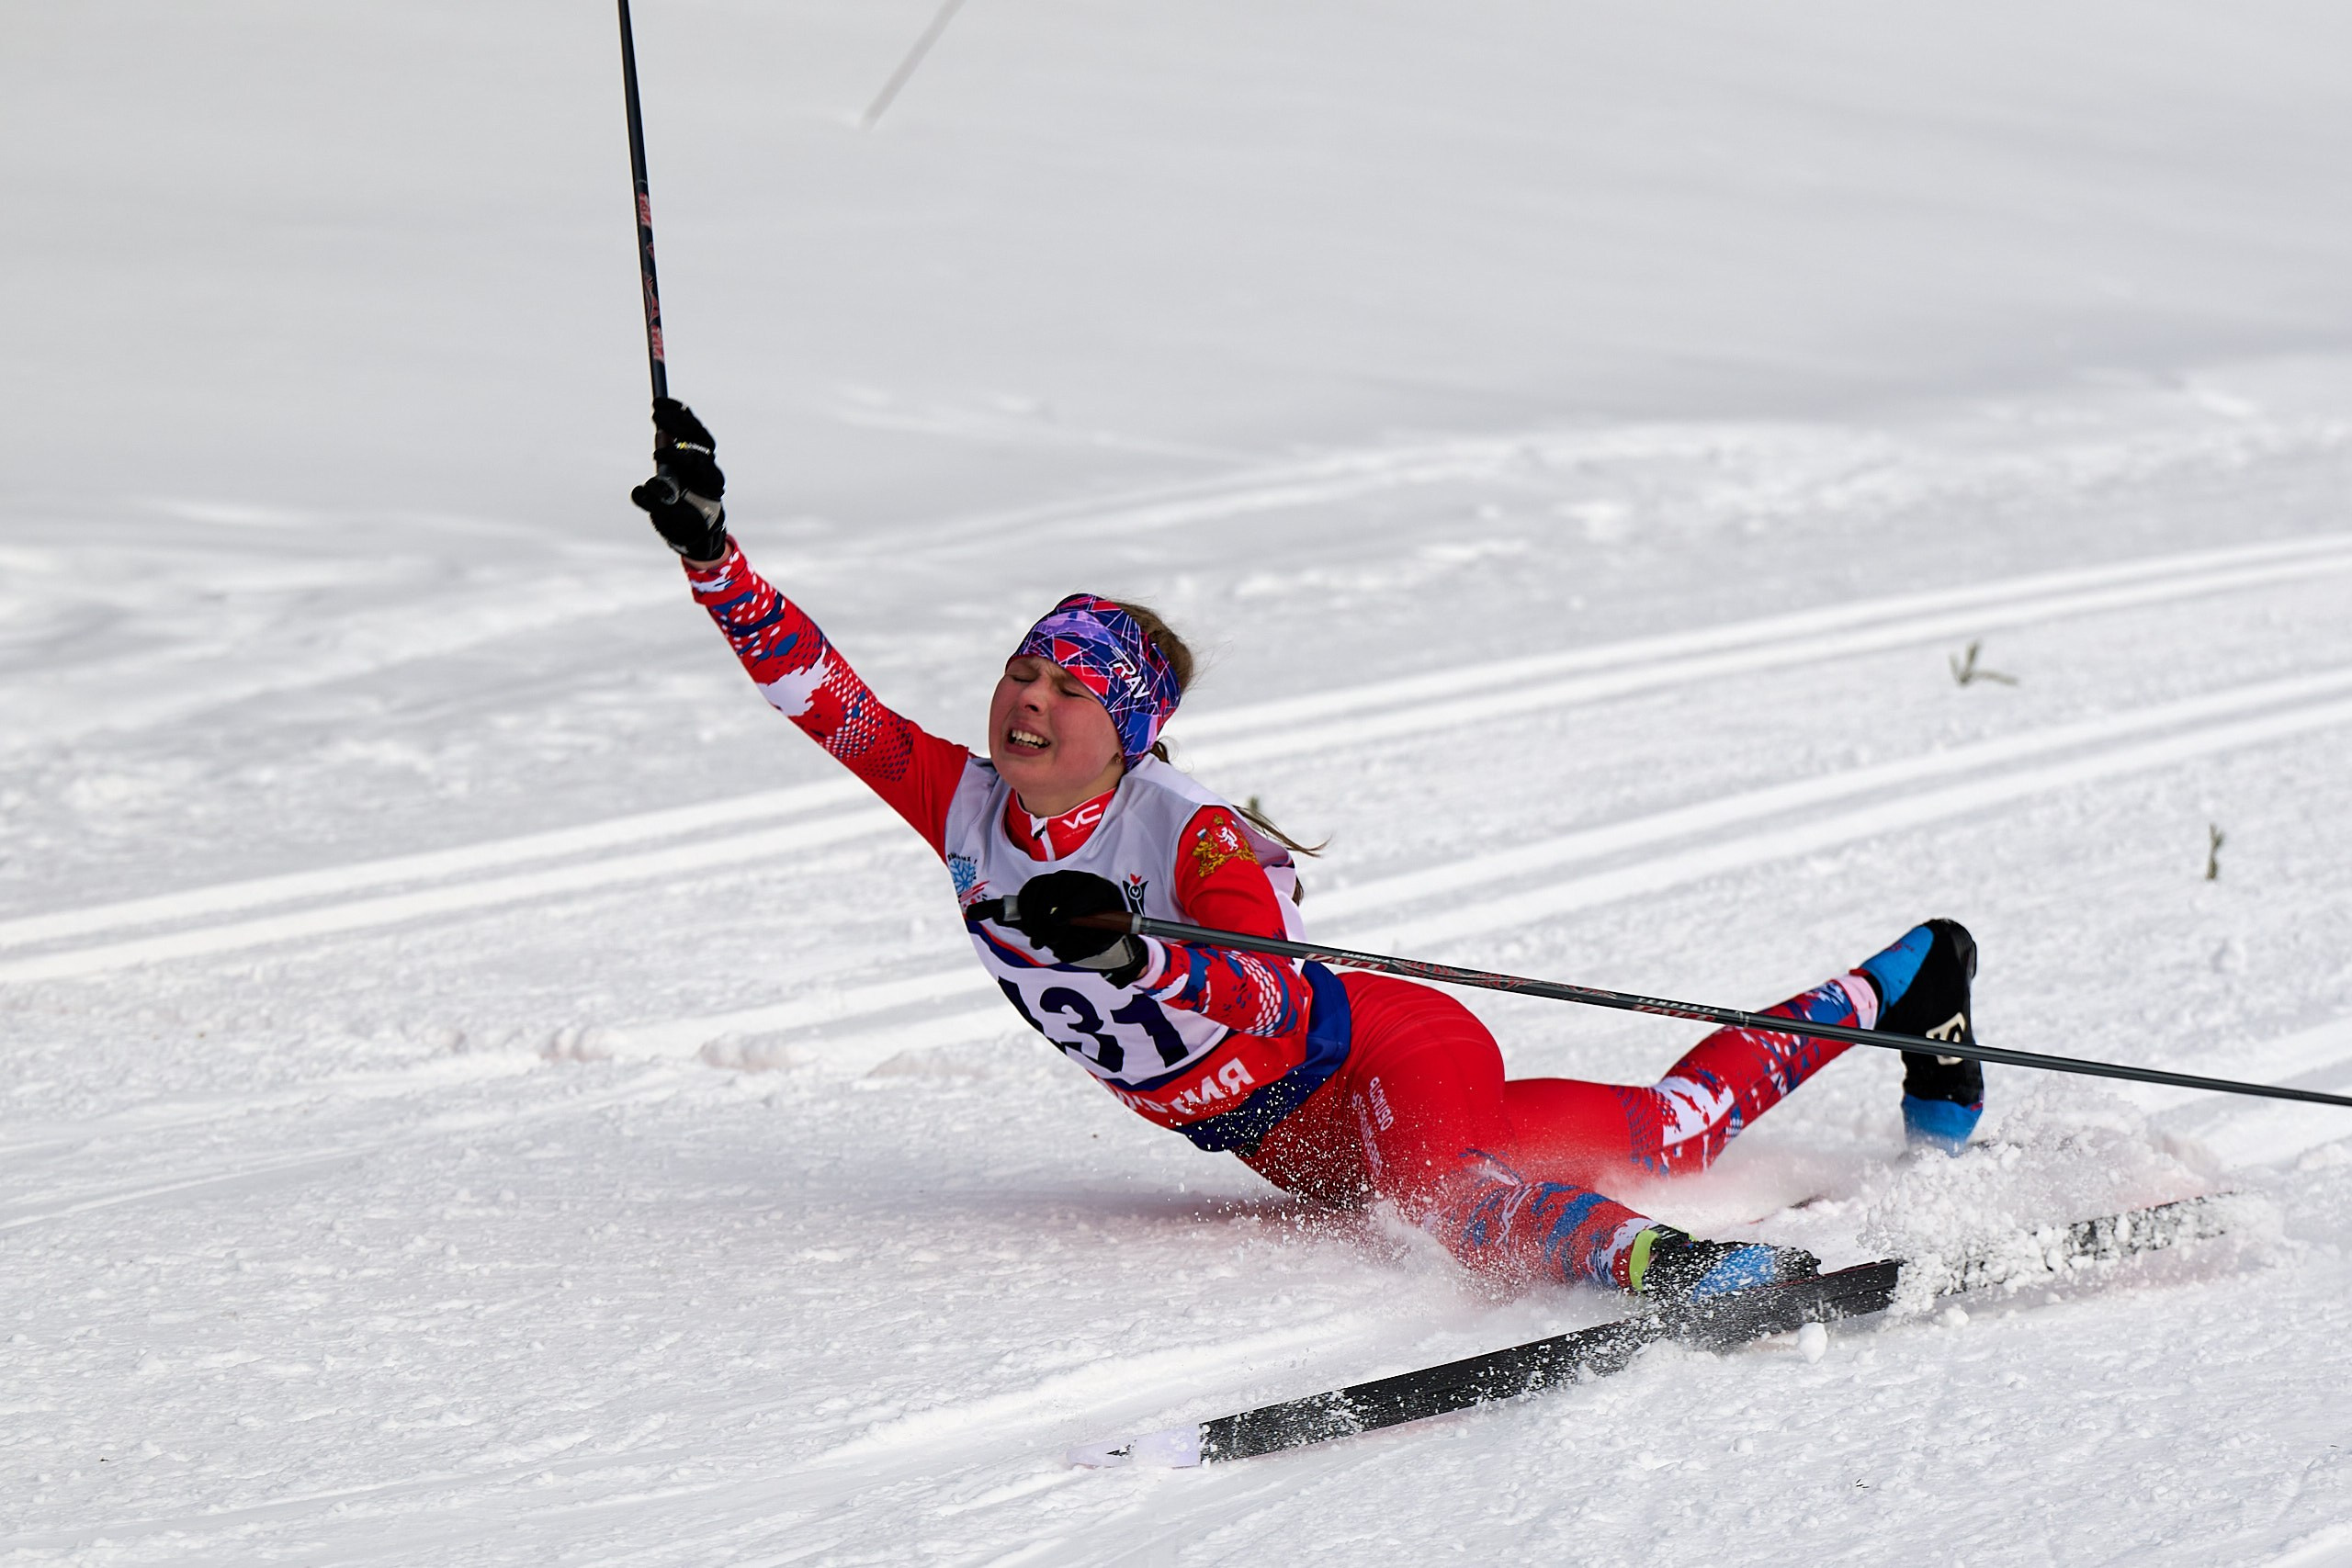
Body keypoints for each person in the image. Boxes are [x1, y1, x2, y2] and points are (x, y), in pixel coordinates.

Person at [630, 400, 1986, 1303]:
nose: (1028, 699)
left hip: (1382, 1059)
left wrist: (1138, 954)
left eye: (1069, 686)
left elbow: (1273, 994)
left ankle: (1672, 1272)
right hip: (1293, 1148)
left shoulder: (1189, 834)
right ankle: (1915, 978)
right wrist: (711, 555)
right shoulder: (965, 807)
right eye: (1021, 669)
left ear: (1128, 731)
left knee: (1454, 1201)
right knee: (1667, 1131)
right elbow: (822, 697)